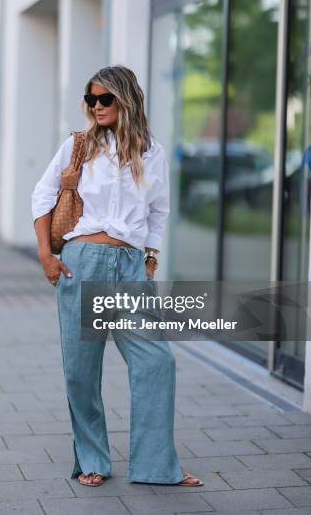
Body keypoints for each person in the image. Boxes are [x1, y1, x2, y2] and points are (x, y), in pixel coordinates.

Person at [31, 65, 203, 488]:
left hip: (128, 267)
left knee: (156, 362)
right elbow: (43, 193)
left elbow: (158, 210)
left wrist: (150, 256)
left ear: (126, 99)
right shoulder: (80, 146)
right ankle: (93, 460)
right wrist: (45, 256)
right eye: (91, 99)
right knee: (80, 371)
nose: (96, 106)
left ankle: (156, 466)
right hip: (82, 260)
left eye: (105, 99)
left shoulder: (150, 150)